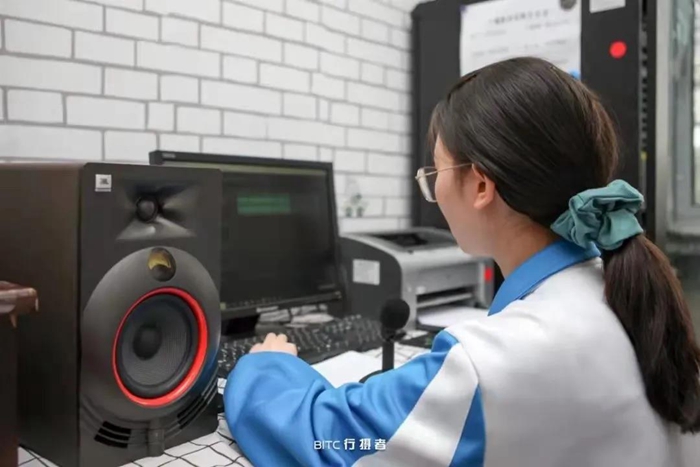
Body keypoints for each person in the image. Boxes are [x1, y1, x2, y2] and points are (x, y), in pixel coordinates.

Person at [223, 57, 700, 466]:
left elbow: (325, 440)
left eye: (436, 170)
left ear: (481, 186)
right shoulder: (626, 291)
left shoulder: (496, 359)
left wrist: (268, 365)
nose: (433, 189)